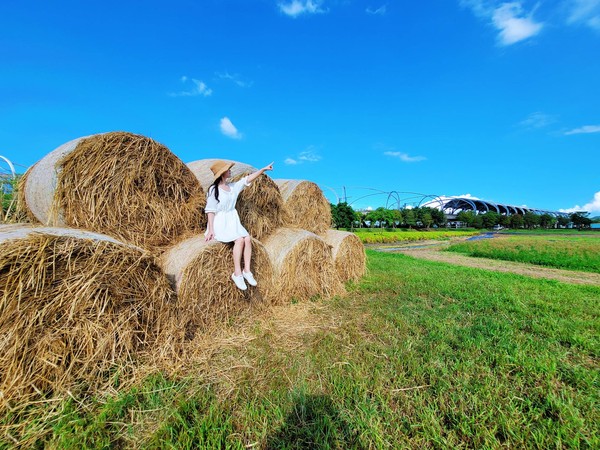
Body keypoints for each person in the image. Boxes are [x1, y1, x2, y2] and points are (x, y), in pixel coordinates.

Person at [204, 160, 274, 290]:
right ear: (222, 173)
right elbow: (210, 210)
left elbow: (247, 179)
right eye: (228, 169)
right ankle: (237, 273)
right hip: (221, 222)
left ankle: (247, 271)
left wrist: (263, 170)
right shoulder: (214, 189)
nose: (230, 170)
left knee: (247, 238)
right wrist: (211, 230)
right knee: (240, 239)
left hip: (232, 220)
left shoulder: (232, 186)